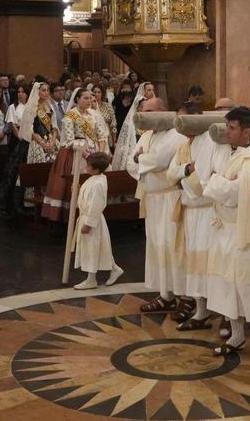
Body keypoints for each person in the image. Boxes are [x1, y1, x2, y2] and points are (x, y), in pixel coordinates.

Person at [204, 107, 250, 356]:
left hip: (242, 230)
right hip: (223, 228)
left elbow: (234, 193)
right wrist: (219, 182)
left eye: (232, 128)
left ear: (246, 131)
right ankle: (237, 335)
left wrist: (217, 181)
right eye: (227, 126)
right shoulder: (226, 152)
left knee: (246, 285)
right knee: (227, 284)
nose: (226, 132)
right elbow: (208, 181)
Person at [166, 102, 227, 329]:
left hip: (207, 210)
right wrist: (185, 170)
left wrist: (182, 176)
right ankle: (201, 311)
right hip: (190, 212)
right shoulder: (184, 145)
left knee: (211, 263)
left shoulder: (211, 142)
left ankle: (225, 314)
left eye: (184, 120)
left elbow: (203, 181)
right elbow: (170, 173)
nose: (179, 126)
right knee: (194, 263)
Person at [132, 95, 184, 311]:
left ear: (163, 111)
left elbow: (160, 159)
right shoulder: (145, 136)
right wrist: (143, 161)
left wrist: (141, 159)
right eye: (143, 112)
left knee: (171, 245)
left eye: (150, 112)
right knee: (156, 245)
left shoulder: (175, 134)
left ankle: (182, 295)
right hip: (152, 197)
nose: (145, 116)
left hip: (169, 197)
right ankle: (165, 293)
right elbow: (130, 161)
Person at [73, 152, 125, 290]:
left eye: (88, 165)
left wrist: (88, 224)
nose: (86, 166)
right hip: (87, 217)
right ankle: (114, 269)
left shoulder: (98, 183)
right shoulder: (93, 179)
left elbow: (95, 205)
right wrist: (78, 191)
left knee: (92, 248)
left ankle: (91, 279)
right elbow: (87, 198)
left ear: (96, 169)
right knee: (100, 247)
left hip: (93, 220)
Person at [91, 84, 117, 151]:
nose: (96, 94)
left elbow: (113, 124)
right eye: (95, 92)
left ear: (102, 94)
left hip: (107, 136)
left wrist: (114, 141)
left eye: (99, 92)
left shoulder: (107, 106)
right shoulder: (89, 107)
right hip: (93, 136)